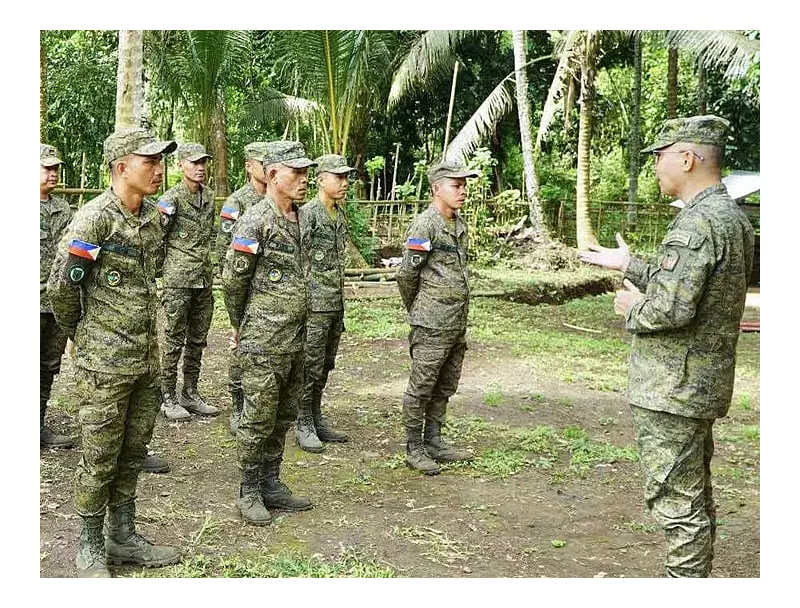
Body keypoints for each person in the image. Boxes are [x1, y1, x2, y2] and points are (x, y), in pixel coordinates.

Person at [578, 115, 754, 577]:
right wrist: (630, 262)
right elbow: (690, 282)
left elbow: (672, 309)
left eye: (660, 156)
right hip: (697, 384)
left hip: (673, 388)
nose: (656, 166)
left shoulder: (697, 225)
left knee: (677, 504)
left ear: (688, 157)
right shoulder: (730, 217)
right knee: (694, 494)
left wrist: (631, 307)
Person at [48, 127, 182, 577]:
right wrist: (82, 337)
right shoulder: (93, 220)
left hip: (147, 358)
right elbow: (62, 292)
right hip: (103, 362)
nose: (160, 171)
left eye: (162, 162)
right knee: (99, 452)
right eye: (151, 163)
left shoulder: (153, 218)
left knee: (132, 450)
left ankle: (123, 535)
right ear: (122, 167)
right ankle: (88, 544)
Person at [222, 140, 316, 525]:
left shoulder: (304, 218)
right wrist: (241, 324)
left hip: (297, 337)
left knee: (283, 415)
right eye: (296, 172)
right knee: (258, 417)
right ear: (273, 174)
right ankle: (248, 489)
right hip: (263, 339)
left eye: (306, 172)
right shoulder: (254, 220)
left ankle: (272, 482)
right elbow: (233, 281)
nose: (304, 179)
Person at [396, 161, 478, 475]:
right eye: (456, 185)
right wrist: (419, 309)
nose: (463, 191)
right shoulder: (425, 225)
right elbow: (407, 275)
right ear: (436, 189)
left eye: (464, 185)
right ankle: (413, 446)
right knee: (422, 385)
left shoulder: (459, 225)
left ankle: (434, 440)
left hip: (456, 321)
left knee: (445, 384)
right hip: (431, 321)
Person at [294, 154, 354, 452]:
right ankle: (302, 420)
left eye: (346, 178)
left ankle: (316, 415)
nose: (344, 183)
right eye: (338, 177)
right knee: (310, 365)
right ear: (321, 179)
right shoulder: (308, 215)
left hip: (334, 303)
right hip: (314, 306)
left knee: (326, 363)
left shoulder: (339, 215)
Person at [158, 143, 219, 421]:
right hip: (178, 279)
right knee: (173, 339)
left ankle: (190, 392)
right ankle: (167, 396)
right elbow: (158, 237)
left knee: (198, 339)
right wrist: (161, 274)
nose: (200, 168)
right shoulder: (171, 199)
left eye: (203, 163)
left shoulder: (209, 196)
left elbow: (211, 236)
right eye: (194, 163)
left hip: (204, 278)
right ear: (181, 165)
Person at [216, 142, 272, 435]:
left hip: (272, 292)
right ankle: (237, 405)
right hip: (245, 287)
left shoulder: (281, 201)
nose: (267, 167)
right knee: (240, 347)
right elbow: (226, 250)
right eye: (262, 162)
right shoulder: (237, 202)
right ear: (249, 166)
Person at [39, 144, 74, 449]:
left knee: (48, 367)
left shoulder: (64, 209)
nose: (53, 173)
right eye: (46, 168)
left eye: (55, 168)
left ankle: (37, 425)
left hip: (55, 303)